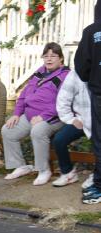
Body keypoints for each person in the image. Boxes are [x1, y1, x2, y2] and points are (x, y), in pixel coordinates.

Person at [2, 42, 70, 186]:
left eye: (53, 56)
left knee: (38, 131)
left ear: (61, 59)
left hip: (55, 117)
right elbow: (24, 94)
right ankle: (20, 166)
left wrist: (43, 116)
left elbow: (63, 102)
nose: (49, 59)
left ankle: (44, 170)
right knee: (8, 130)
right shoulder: (40, 72)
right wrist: (16, 113)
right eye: (46, 56)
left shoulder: (66, 76)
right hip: (30, 115)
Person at [74, 1, 101, 204]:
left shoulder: (92, 31)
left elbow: (82, 66)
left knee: (100, 141)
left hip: (100, 93)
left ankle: (99, 187)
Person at [52, 70, 91, 187]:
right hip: (81, 119)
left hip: (98, 122)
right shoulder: (76, 74)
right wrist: (71, 119)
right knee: (59, 140)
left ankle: (97, 175)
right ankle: (68, 173)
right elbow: (63, 99)